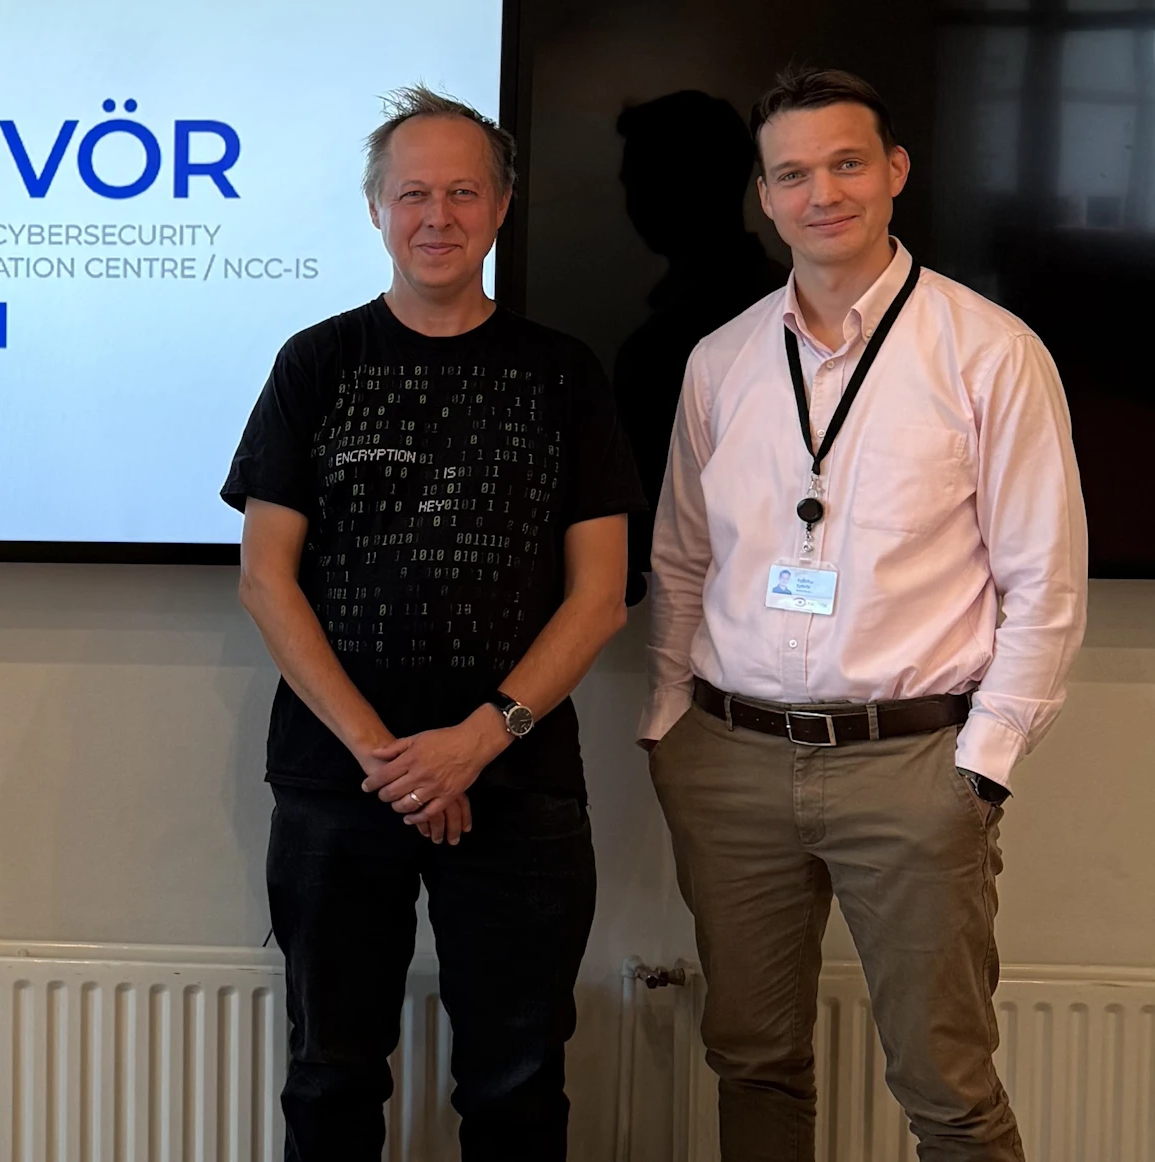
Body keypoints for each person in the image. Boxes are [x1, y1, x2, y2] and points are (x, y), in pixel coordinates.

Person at [643, 68, 1087, 1162]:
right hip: (732, 758)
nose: (822, 194)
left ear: (894, 171)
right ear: (763, 197)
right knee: (752, 1061)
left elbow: (1045, 582)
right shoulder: (720, 361)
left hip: (914, 764)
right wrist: (669, 719)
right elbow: (682, 557)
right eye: (792, 174)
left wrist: (982, 765)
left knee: (947, 1090)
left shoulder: (989, 351)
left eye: (846, 164)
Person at [223, 87, 644, 1159]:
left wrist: (472, 743)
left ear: (501, 207)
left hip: (518, 778)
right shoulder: (315, 363)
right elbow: (267, 580)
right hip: (339, 781)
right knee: (329, 1074)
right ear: (376, 208)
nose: (437, 217)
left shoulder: (564, 373)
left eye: (463, 193)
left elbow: (600, 593)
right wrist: (389, 758)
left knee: (518, 1083)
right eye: (413, 193)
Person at [612, 90, 789, 575]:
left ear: (685, 185)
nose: (631, 203)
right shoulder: (775, 293)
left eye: (640, 182)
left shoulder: (667, 346)